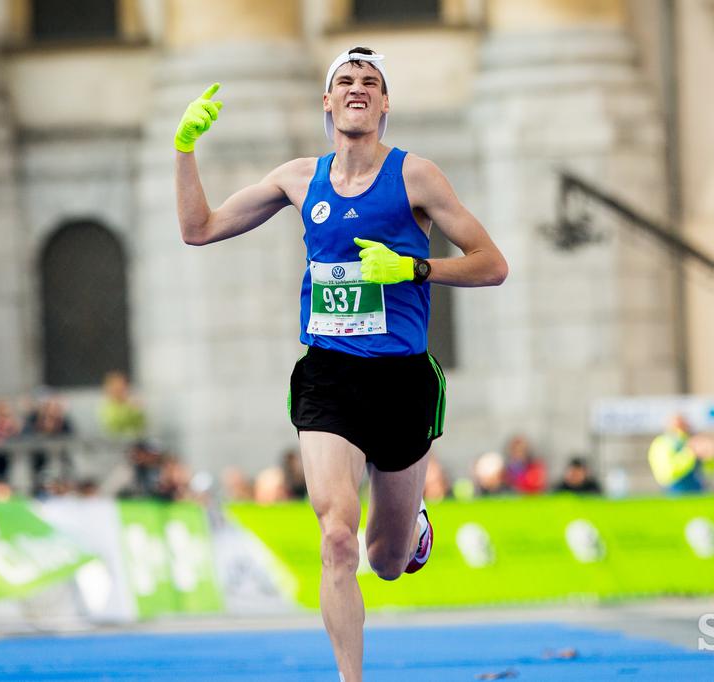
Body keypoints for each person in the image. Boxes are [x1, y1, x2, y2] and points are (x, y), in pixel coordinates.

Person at [174, 47, 507, 681]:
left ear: (385, 105)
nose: (357, 89)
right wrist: (184, 149)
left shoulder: (418, 178)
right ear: (327, 102)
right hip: (329, 374)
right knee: (335, 535)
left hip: (403, 380)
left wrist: (413, 268)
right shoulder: (300, 179)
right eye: (345, 81)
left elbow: (492, 264)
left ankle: (412, 530)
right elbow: (199, 228)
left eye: (370, 83)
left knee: (384, 560)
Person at [647, 414, 714, 494]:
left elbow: (711, 471)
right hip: (675, 488)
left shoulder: (691, 440)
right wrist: (690, 454)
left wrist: (709, 456)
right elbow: (668, 472)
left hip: (697, 486)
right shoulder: (662, 443)